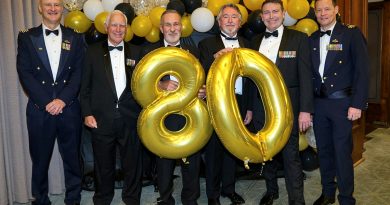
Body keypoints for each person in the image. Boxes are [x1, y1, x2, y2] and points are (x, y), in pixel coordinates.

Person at [16, 0, 84, 204]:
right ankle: (41, 200)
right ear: (40, 8)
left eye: (56, 4)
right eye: (48, 4)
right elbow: (24, 72)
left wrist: (62, 100)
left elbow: (78, 73)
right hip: (39, 109)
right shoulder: (27, 37)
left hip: (69, 108)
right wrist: (47, 102)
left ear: (62, 8)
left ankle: (73, 199)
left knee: (73, 160)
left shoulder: (75, 37)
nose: (53, 8)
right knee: (40, 161)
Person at [250, 0, 314, 205]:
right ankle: (271, 191)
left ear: (284, 13)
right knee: (266, 151)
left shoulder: (299, 38)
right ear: (262, 16)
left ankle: (297, 200)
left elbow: (305, 77)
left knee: (290, 155)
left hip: (289, 108)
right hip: (261, 108)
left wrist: (305, 110)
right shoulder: (254, 41)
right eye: (266, 13)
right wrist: (250, 108)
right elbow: (249, 79)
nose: (271, 16)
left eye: (275, 11)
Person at [139, 10, 205, 205]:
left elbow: (202, 78)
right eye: (168, 25)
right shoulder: (148, 51)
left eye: (176, 24)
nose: (172, 28)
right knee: (164, 163)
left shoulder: (194, 50)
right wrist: (160, 85)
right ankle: (166, 199)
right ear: (161, 28)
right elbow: (140, 85)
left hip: (189, 114)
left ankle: (190, 199)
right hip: (162, 116)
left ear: (181, 27)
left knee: (191, 162)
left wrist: (203, 91)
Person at [80, 10, 143, 205]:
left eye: (122, 26)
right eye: (114, 25)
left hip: (130, 117)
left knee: (132, 164)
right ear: (106, 27)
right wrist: (87, 113)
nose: (118, 29)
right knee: (103, 165)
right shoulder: (92, 52)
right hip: (101, 118)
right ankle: (102, 199)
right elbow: (85, 88)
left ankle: (132, 199)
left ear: (126, 29)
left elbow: (144, 86)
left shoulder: (137, 52)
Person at [310, 0, 368, 204]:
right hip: (319, 104)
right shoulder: (312, 38)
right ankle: (328, 193)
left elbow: (362, 71)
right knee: (323, 151)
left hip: (343, 105)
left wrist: (358, 104)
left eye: (327, 9)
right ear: (315, 13)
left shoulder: (351, 33)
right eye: (319, 10)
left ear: (336, 10)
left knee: (342, 153)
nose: (323, 13)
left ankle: (346, 198)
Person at [198, 4, 253, 205]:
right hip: (217, 102)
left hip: (239, 101)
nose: (230, 21)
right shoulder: (206, 44)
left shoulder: (247, 44)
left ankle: (228, 189)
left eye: (234, 17)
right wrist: (213, 58)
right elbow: (199, 74)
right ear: (219, 21)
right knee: (214, 150)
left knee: (233, 148)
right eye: (225, 17)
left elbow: (253, 81)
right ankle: (213, 195)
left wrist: (249, 107)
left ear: (240, 22)